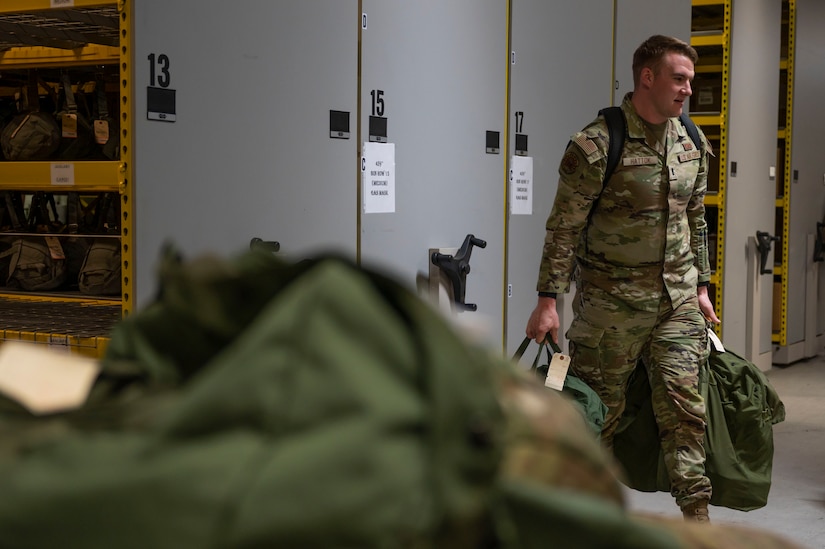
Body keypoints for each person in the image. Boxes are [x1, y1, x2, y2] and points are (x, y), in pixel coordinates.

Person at [525, 34, 720, 523]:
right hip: (610, 309)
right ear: (647, 78)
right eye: (679, 78)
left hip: (677, 304)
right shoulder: (596, 144)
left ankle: (697, 523)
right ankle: (581, 518)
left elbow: (696, 220)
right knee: (593, 415)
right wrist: (549, 299)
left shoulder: (692, 142)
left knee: (686, 415)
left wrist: (701, 288)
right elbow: (563, 227)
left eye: (691, 81)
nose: (687, 91)